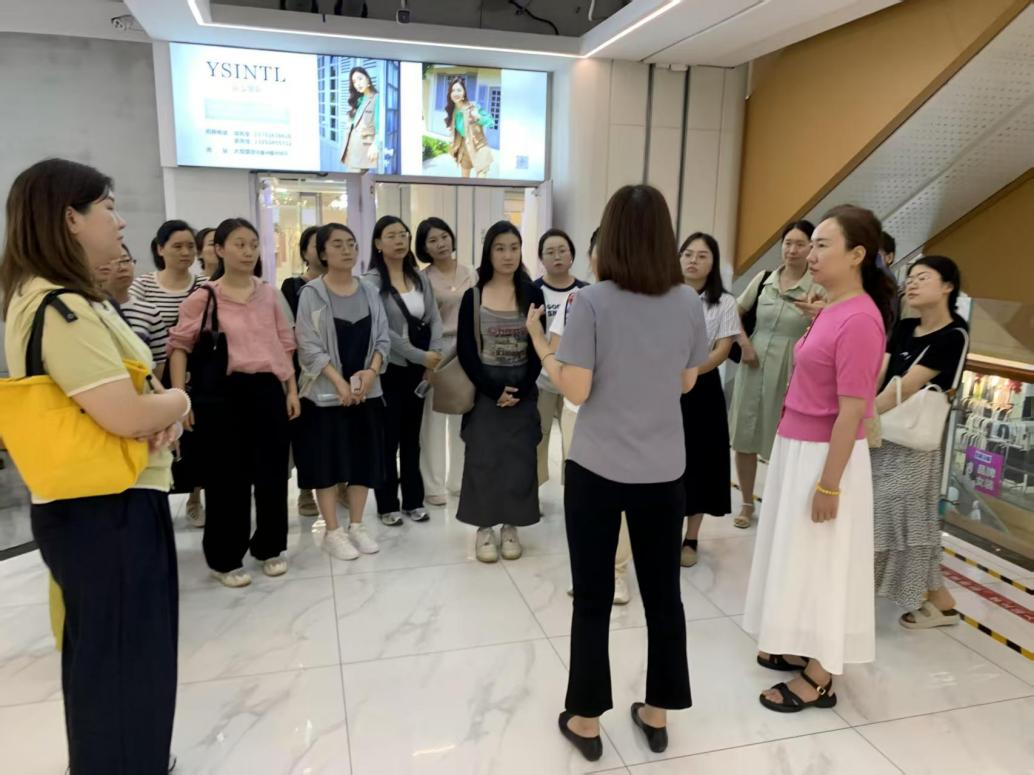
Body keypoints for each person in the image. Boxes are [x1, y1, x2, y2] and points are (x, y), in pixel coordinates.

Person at [1, 158, 189, 773]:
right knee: (124, 660)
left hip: (101, 503)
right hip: (107, 507)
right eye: (107, 207)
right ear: (70, 219)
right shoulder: (61, 307)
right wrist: (178, 401)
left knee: (110, 658)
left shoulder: (45, 296)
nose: (120, 220)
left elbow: (121, 400)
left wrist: (150, 406)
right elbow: (125, 413)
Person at [528, 185, 709, 760]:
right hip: (663, 469)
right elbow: (687, 381)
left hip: (598, 468)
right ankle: (657, 712)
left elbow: (577, 390)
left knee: (593, 595)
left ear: (610, 239)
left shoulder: (591, 302)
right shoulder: (687, 302)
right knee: (663, 595)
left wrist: (543, 347)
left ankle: (585, 718)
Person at [743, 204, 895, 713]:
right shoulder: (833, 307)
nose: (811, 254)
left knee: (824, 560)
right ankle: (801, 641)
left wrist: (829, 484)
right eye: (811, 244)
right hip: (799, 447)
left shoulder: (861, 319)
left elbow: (853, 410)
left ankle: (822, 674)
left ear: (857, 255)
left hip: (826, 455)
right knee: (801, 556)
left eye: (823, 245)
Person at [168, 217, 300, 588]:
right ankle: (224, 558)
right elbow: (179, 346)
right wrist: (180, 397)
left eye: (253, 245)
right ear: (219, 249)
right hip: (221, 395)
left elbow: (284, 344)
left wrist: (291, 389)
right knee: (227, 479)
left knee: (272, 474)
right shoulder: (204, 297)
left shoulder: (268, 294)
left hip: (267, 390)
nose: (248, 252)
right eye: (239, 244)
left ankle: (270, 547)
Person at [872, 256, 968, 628]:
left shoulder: (954, 335)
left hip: (912, 445)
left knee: (895, 517)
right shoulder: (904, 326)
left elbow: (908, 387)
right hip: (882, 433)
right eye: (909, 278)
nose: (911, 284)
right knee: (913, 526)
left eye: (922, 278)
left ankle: (860, 592)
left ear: (947, 287)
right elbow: (880, 373)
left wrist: (859, 417)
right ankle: (942, 603)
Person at [294, 223, 389, 560]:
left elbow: (382, 339)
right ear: (322, 252)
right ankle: (333, 530)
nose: (347, 250)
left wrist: (370, 374)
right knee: (327, 463)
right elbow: (308, 346)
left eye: (351, 243)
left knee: (364, 459)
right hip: (325, 396)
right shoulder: (311, 293)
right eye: (337, 244)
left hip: (366, 393)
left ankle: (357, 525)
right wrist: (339, 383)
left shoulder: (369, 291)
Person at [455, 221, 545, 562]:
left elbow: (539, 345)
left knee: (519, 460)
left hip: (523, 387)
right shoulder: (473, 295)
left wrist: (522, 388)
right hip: (485, 389)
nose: (508, 255)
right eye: (500, 248)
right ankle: (484, 527)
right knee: (483, 458)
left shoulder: (532, 294)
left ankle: (511, 525)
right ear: (488, 253)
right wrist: (493, 390)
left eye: (514, 248)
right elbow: (466, 350)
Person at [553, 229, 633, 606]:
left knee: (620, 500)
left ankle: (617, 572)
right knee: (583, 499)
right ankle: (587, 571)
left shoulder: (646, 303)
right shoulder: (578, 300)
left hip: (623, 418)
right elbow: (559, 352)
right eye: (600, 251)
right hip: (578, 413)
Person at [728, 220, 817, 529]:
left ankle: (780, 504)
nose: (792, 250)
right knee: (744, 436)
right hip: (752, 366)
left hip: (792, 372)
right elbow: (734, 312)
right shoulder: (764, 278)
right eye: (787, 243)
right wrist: (744, 343)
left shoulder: (817, 288)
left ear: (811, 248)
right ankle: (747, 502)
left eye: (800, 244)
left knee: (782, 441)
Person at [365, 215, 444, 525]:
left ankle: (413, 501)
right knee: (388, 441)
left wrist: (434, 355)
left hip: (420, 370)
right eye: (391, 235)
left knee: (412, 439)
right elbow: (382, 330)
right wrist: (421, 356)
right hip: (390, 370)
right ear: (378, 243)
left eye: (403, 234)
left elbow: (434, 317)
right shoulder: (371, 282)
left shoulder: (419, 277)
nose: (399, 240)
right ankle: (387, 505)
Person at [131, 219, 206, 526]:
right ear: (160, 249)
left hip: (198, 373)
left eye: (190, 246)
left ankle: (195, 498)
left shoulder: (204, 285)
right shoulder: (143, 286)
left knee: (196, 439)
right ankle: (158, 500)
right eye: (177, 246)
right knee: (161, 441)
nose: (185, 252)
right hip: (156, 374)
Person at [678, 232, 741, 567]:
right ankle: (663, 530)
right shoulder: (664, 294)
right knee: (667, 460)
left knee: (700, 462)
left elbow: (722, 349)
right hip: (664, 386)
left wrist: (689, 372)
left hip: (703, 389)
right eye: (688, 254)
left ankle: (691, 537)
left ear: (713, 263)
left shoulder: (724, 302)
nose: (693, 260)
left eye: (702, 255)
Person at [416, 217, 476, 505]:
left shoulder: (471, 273)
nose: (440, 244)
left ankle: (459, 481)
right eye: (432, 240)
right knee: (433, 422)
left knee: (462, 417)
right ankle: (433, 485)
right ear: (424, 247)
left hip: (467, 352)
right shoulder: (422, 279)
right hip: (437, 353)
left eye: (443, 237)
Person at [533, 228, 588, 488]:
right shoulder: (533, 290)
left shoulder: (585, 292)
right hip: (542, 378)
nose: (557, 256)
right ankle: (535, 489)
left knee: (574, 439)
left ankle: (573, 490)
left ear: (572, 255)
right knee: (538, 435)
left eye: (562, 250)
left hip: (575, 380)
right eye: (550, 252)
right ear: (541, 258)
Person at [280, 227, 325, 518]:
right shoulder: (293, 286)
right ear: (305, 252)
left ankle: (340, 483)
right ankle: (306, 489)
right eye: (315, 244)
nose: (322, 249)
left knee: (336, 430)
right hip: (304, 369)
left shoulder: (346, 283)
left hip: (339, 366)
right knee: (306, 432)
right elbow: (291, 330)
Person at [103, 243, 168, 369]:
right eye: (114, 262)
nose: (123, 268)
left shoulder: (150, 312)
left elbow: (159, 362)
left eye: (126, 261)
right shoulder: (89, 309)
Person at [446, 76, 495, 178]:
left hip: (480, 147)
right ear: (450, 94)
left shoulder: (473, 107)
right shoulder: (454, 111)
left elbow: (491, 121)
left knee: (480, 181)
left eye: (459, 90)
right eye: (453, 90)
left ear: (464, 93)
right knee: (464, 180)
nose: (456, 93)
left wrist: (479, 117)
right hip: (465, 148)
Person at [341, 66, 380, 172]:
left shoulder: (376, 98)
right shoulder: (359, 100)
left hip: (363, 152)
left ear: (367, 78)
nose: (357, 84)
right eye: (354, 81)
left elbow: (380, 127)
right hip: (350, 150)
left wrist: (375, 145)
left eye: (360, 79)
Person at [281, 226, 323, 319]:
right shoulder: (291, 286)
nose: (323, 250)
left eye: (326, 246)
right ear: (304, 253)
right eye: (317, 246)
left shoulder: (339, 285)